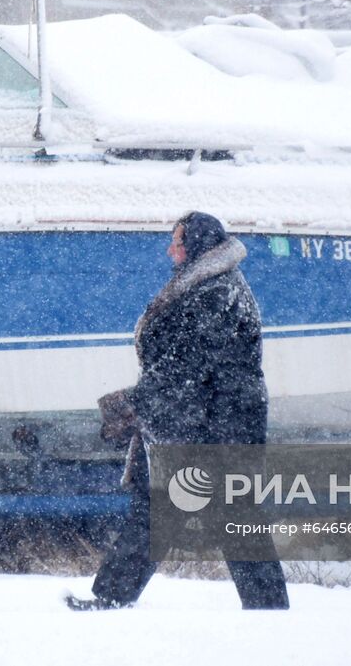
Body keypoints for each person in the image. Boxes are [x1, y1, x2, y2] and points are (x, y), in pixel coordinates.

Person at [66, 211, 290, 611]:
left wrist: (133, 402)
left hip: (217, 427)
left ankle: (269, 610)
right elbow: (180, 365)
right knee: (158, 511)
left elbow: (185, 364)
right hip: (192, 421)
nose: (170, 249)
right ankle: (113, 596)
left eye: (178, 241)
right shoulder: (207, 284)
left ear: (198, 246)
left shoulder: (216, 292)